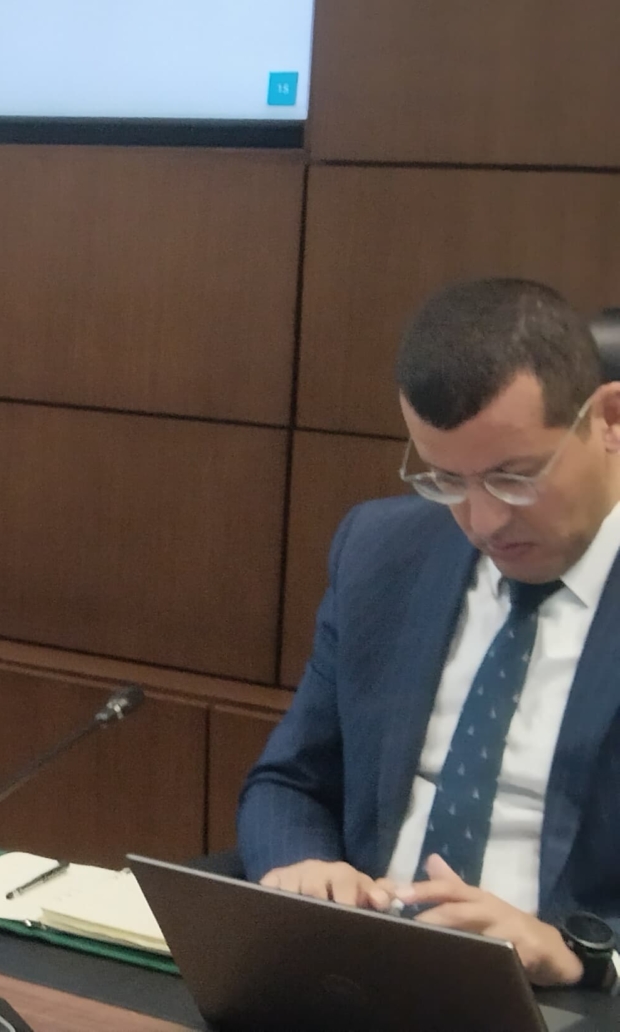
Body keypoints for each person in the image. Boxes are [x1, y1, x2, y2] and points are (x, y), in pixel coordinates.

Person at [242, 278, 620, 989]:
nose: (483, 521)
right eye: (447, 481)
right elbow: (290, 781)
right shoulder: (382, 553)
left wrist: (582, 954)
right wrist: (303, 870)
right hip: (361, 977)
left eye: (514, 479)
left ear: (609, 420)